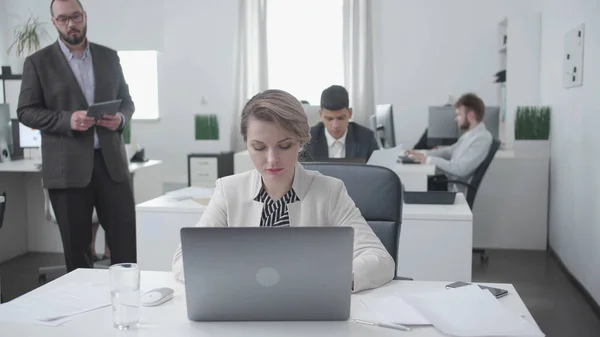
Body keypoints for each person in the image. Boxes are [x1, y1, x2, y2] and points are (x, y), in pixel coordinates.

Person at [172, 89, 395, 293]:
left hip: (309, 308)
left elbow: (381, 260)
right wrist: (229, 277)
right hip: (244, 307)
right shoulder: (228, 191)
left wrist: (335, 279)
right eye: (259, 147)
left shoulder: (330, 192)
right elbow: (184, 259)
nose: (271, 160)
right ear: (247, 143)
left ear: (300, 142)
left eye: (285, 146)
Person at [17, 0, 136, 272]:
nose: (71, 24)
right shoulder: (38, 63)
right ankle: (85, 311)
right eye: (63, 19)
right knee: (78, 253)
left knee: (126, 245)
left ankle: (129, 307)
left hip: (112, 167)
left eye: (76, 17)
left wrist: (120, 118)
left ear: (84, 16)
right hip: (67, 171)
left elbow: (127, 102)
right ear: (54, 22)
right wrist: (67, 119)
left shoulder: (109, 57)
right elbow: (25, 111)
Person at [405, 93, 492, 193]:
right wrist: (424, 153)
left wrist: (428, 159)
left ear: (471, 116)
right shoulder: (470, 134)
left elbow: (460, 169)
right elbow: (450, 151)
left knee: (412, 188)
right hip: (448, 182)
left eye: (459, 115)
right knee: (412, 184)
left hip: (452, 190)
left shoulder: (482, 138)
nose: (456, 119)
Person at [305, 85, 379, 161]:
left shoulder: (366, 138)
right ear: (321, 115)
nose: (335, 125)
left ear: (350, 113)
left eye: (341, 118)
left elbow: (378, 171)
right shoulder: (308, 140)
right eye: (329, 119)